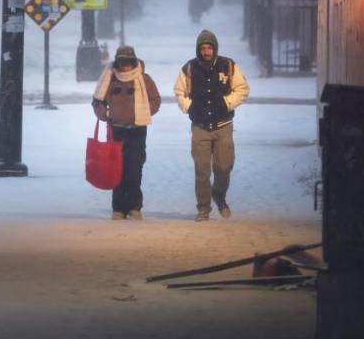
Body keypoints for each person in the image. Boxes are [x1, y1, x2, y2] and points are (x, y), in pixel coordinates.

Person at [174, 30, 250, 222]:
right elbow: (179, 91)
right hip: (199, 126)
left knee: (224, 167)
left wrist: (227, 103)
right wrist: (188, 106)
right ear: (198, 49)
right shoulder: (189, 68)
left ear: (215, 48)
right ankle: (203, 208)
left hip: (223, 125)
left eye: (209, 47)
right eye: (202, 48)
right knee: (202, 170)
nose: (206, 52)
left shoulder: (229, 65)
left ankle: (219, 195)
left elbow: (242, 89)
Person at [91, 45, 161, 220]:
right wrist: (105, 113)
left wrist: (142, 111)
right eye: (123, 62)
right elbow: (97, 101)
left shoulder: (145, 79)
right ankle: (118, 208)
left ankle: (134, 207)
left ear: (134, 61)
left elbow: (156, 100)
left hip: (137, 130)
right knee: (117, 169)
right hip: (116, 131)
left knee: (134, 169)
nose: (126, 66)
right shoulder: (109, 78)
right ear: (118, 62)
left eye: (129, 62)